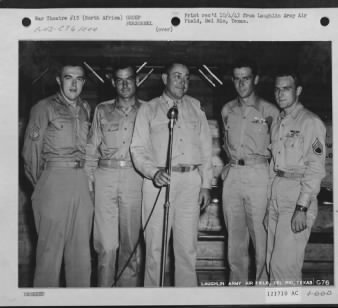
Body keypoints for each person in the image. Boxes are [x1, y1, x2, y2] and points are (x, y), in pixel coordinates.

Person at [130, 62, 213, 287]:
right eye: (177, 76)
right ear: (164, 79)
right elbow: (137, 149)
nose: (182, 82)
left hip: (190, 183)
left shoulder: (196, 107)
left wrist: (206, 183)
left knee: (187, 249)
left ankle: (186, 299)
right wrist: (153, 172)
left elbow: (206, 148)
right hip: (159, 183)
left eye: (186, 77)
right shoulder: (148, 109)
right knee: (155, 249)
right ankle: (153, 300)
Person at [22, 62, 93, 287]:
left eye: (79, 79)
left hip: (81, 181)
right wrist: (43, 187)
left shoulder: (86, 109)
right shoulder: (43, 108)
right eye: (68, 77)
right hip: (53, 180)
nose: (73, 84)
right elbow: (30, 155)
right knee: (49, 254)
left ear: (84, 82)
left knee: (81, 254)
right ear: (58, 80)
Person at [220, 59, 279, 286]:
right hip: (234, 175)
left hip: (259, 174)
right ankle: (238, 291)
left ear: (255, 79)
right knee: (235, 241)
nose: (241, 83)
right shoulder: (227, 109)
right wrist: (228, 165)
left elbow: (278, 150)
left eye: (246, 78)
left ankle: (262, 291)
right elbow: (227, 144)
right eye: (237, 78)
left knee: (261, 240)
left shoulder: (270, 110)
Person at [264, 69, 326, 286]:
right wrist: (270, 203)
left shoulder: (310, 122)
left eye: (286, 89)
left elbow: (316, 168)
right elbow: (274, 164)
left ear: (298, 91)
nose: (280, 94)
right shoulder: (278, 122)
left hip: (297, 195)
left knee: (284, 270)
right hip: (277, 195)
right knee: (270, 263)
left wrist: (302, 208)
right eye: (277, 89)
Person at [85, 64, 144, 287]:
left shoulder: (148, 110)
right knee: (105, 245)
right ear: (113, 83)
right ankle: (103, 295)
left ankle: (125, 296)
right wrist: (89, 184)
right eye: (119, 80)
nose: (125, 84)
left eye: (129, 79)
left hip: (134, 177)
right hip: (105, 177)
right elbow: (91, 149)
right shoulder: (102, 109)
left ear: (137, 80)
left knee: (130, 245)